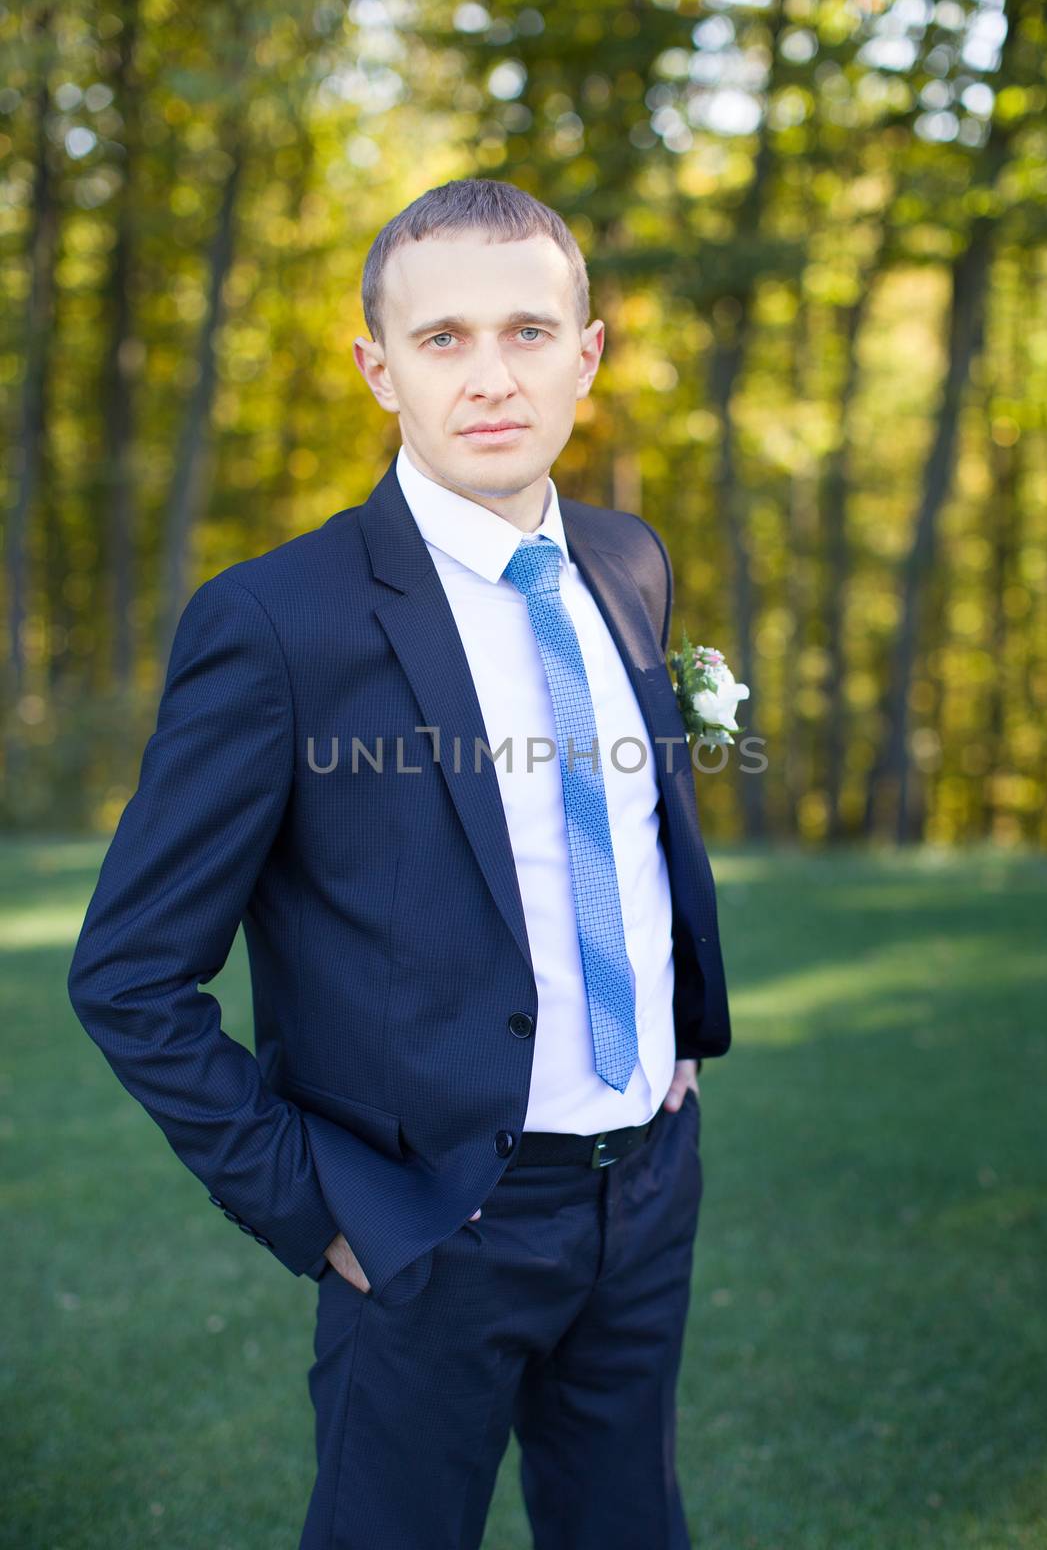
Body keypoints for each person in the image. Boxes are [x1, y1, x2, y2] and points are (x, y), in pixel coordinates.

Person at [67, 177, 731, 1550]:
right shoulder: (277, 621)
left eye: (529, 332)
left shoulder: (626, 560)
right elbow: (129, 973)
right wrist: (313, 1209)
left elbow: (628, 822)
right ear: (379, 366)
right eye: (442, 340)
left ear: (588, 354)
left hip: (646, 1184)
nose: (492, 377)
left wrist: (678, 1023)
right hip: (430, 1217)